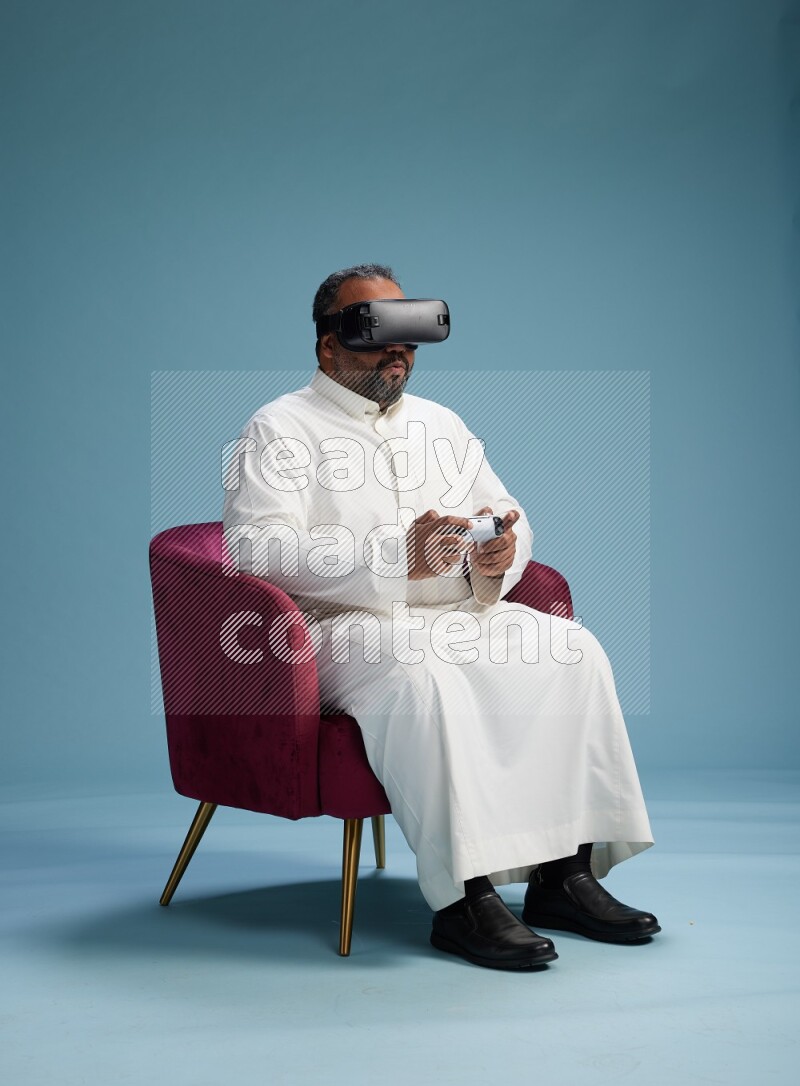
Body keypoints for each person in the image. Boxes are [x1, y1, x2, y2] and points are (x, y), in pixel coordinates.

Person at [222, 263, 659, 970]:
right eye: (375, 334)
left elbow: (510, 518)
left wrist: (499, 561)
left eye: (409, 334)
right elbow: (256, 550)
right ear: (327, 346)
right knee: (422, 676)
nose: (397, 351)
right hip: (338, 629)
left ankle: (565, 875)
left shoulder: (443, 424)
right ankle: (465, 899)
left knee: (570, 651)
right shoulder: (278, 428)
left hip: (455, 611)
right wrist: (397, 556)